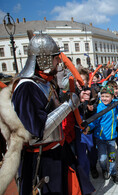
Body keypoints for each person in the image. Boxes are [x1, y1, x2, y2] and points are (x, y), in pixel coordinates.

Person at [3, 33, 81, 194]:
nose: (59, 61)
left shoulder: (43, 82)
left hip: (55, 152)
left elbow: (51, 108)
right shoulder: (26, 87)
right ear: (43, 59)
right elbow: (37, 130)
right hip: (41, 159)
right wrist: (69, 105)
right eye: (55, 57)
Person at [84, 85, 118, 184]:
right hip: (100, 138)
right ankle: (104, 169)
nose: (105, 98)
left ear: (112, 97)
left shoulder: (115, 104)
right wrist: (88, 127)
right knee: (102, 159)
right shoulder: (98, 107)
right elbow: (94, 121)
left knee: (112, 158)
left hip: (112, 139)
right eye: (103, 96)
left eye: (107, 96)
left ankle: (113, 173)